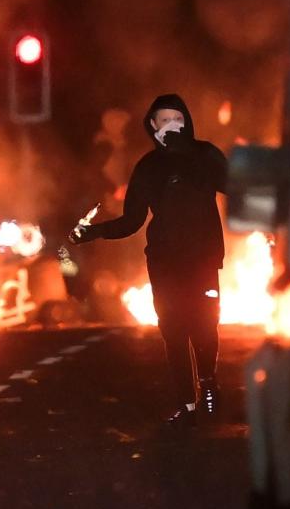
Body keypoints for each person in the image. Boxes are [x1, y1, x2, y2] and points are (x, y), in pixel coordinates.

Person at [69, 93, 227, 429]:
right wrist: (93, 233)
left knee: (204, 326)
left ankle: (209, 382)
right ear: (152, 126)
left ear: (187, 122)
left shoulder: (205, 155)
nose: (172, 125)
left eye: (177, 118)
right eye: (164, 119)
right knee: (173, 332)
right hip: (164, 262)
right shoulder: (148, 167)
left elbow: (236, 187)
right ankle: (186, 404)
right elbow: (132, 220)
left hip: (203, 259)